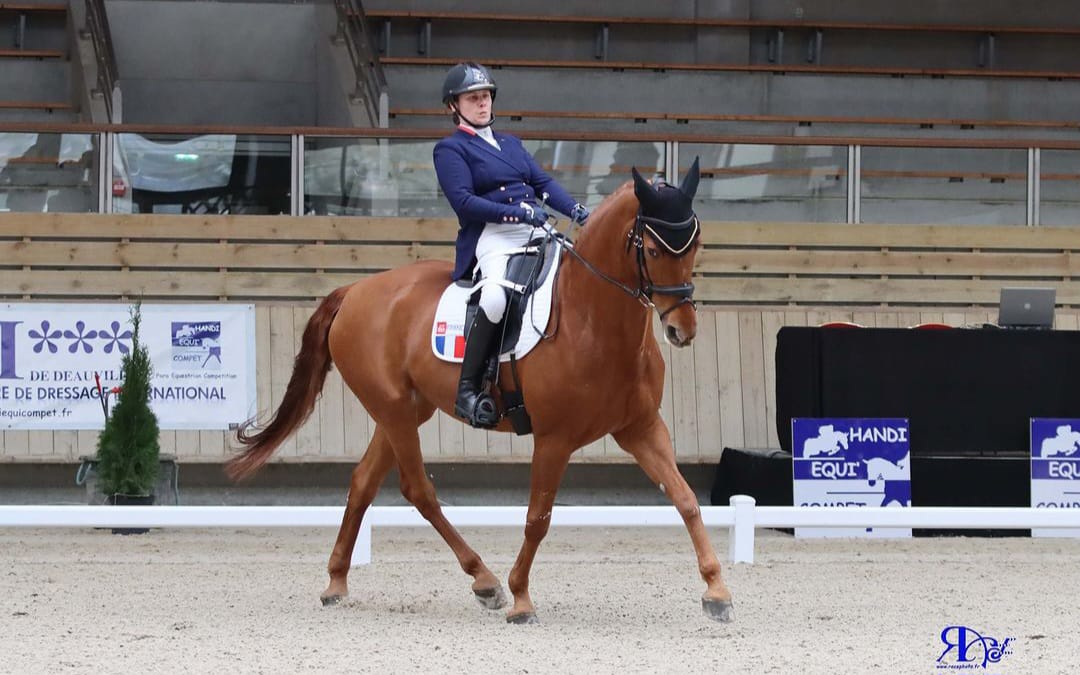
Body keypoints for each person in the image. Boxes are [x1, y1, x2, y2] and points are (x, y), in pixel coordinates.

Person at [433, 62, 590, 429]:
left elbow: (543, 183)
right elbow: (464, 203)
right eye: (473, 98)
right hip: (493, 236)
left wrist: (578, 211)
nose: (482, 104)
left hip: (535, 230)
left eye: (486, 96)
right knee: (494, 299)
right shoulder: (450, 149)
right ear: (454, 106)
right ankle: (469, 389)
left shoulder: (511, 144)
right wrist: (514, 214)